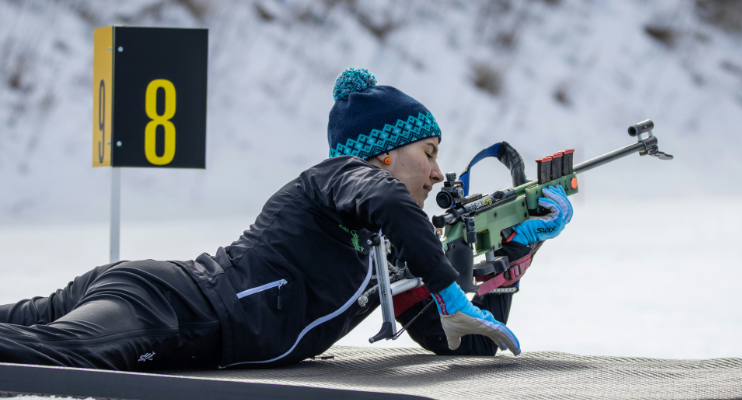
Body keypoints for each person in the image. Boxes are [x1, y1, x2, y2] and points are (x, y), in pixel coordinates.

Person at [0, 68, 572, 371]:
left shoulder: (388, 249)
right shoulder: (331, 180)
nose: (440, 172)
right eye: (429, 152)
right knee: (58, 354)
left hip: (157, 298)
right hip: (168, 306)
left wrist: (515, 255)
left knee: (21, 328)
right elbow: (390, 203)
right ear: (379, 156)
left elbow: (463, 345)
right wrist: (452, 288)